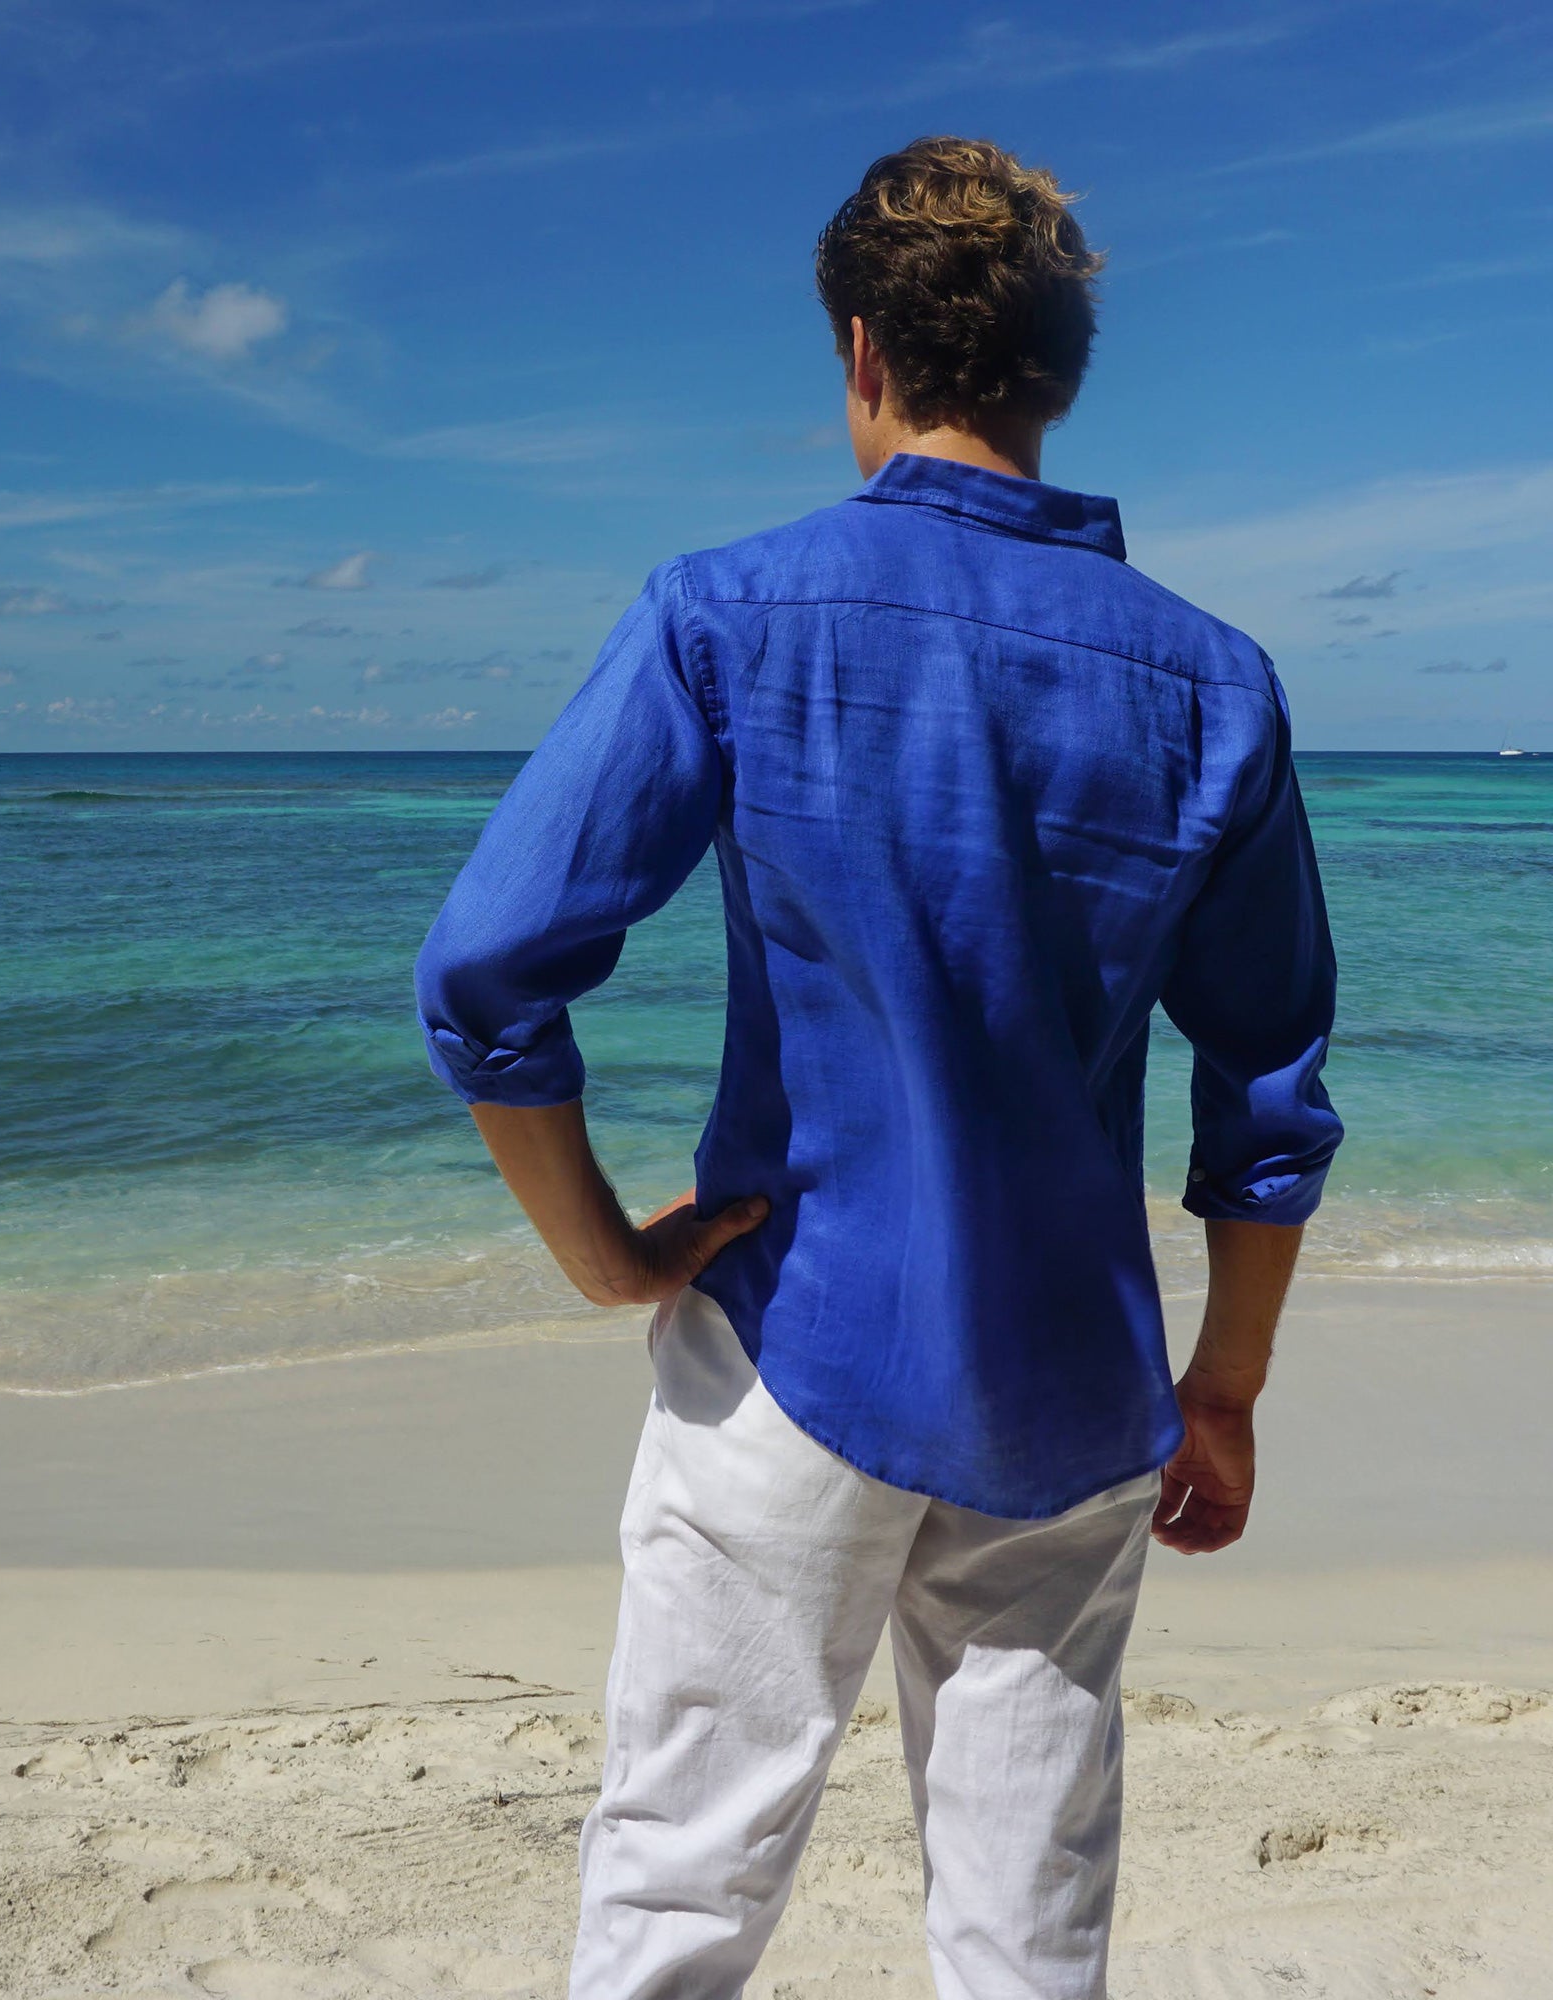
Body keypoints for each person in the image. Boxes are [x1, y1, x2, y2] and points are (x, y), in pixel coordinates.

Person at [414, 135, 1342, 2000]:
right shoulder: (1214, 682)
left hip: (791, 1347)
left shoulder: (727, 612)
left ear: (862, 352)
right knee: (1026, 1922)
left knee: (680, 1887)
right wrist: (1223, 1387)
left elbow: (489, 970)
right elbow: (1267, 1085)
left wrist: (603, 1253)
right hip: (1071, 1388)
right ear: (1061, 376)